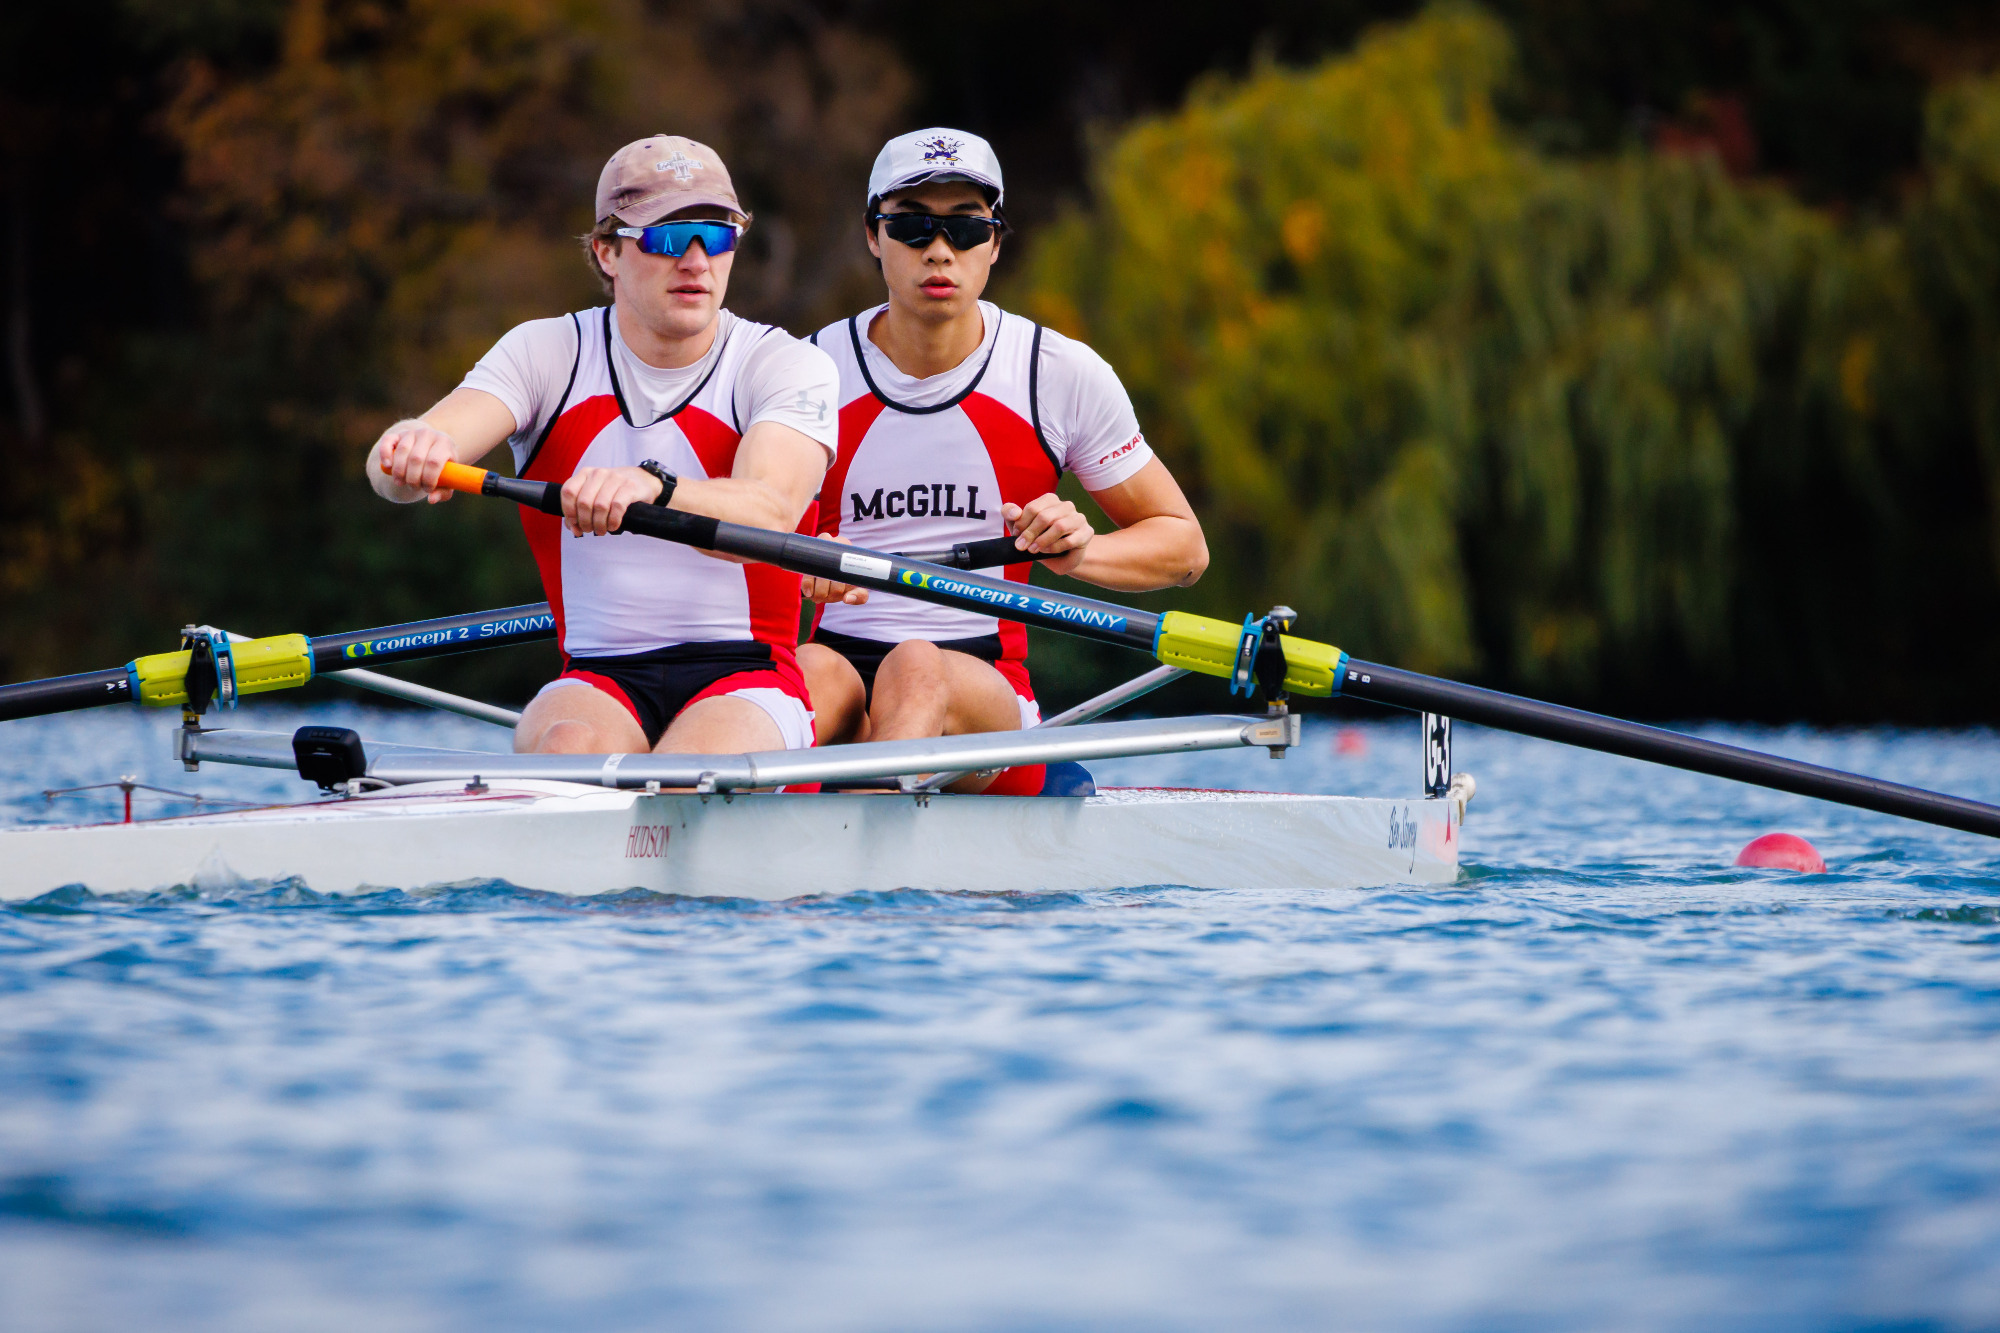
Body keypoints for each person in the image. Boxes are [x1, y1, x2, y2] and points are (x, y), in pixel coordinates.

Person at [371, 136, 838, 756]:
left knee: (689, 767)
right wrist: (412, 450)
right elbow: (397, 470)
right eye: (669, 237)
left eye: (716, 235)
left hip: (750, 677)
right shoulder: (546, 353)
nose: (696, 261)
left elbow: (771, 511)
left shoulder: (785, 363)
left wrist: (656, 485)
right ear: (606, 252)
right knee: (564, 745)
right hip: (597, 676)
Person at [798, 128, 1207, 791]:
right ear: (873, 235)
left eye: (963, 229)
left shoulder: (1057, 373)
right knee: (807, 674)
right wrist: (792, 561)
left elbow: (1185, 549)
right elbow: (744, 535)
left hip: (984, 691)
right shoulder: (806, 372)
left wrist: (1080, 554)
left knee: (915, 667)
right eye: (911, 226)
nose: (938, 250)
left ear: (994, 242)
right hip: (838, 668)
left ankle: (841, 854)